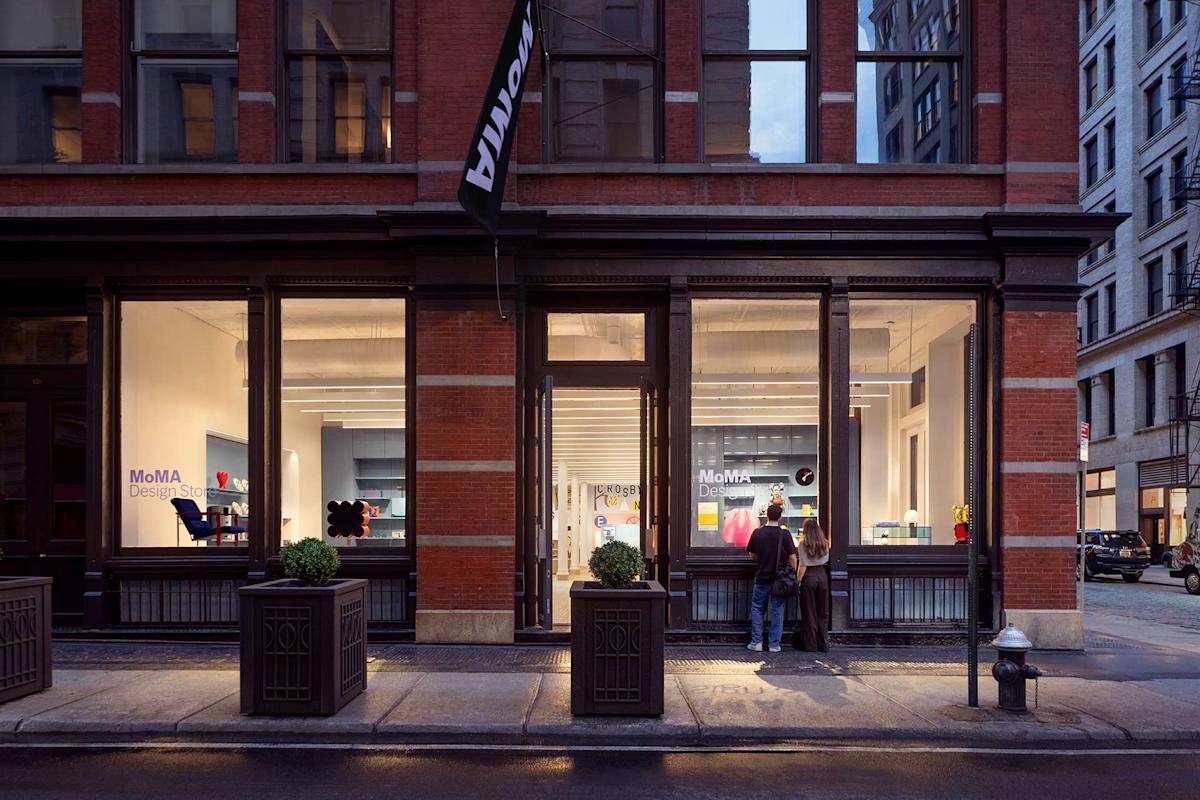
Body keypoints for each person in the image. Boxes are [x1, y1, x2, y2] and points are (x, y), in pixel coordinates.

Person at [745, 504, 797, 653]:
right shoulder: (785, 534)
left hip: (762, 577)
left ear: (766, 515)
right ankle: (774, 644)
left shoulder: (757, 533)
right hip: (780, 580)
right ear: (780, 517)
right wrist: (792, 574)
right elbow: (792, 557)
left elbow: (752, 554)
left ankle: (756, 642)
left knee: (757, 608)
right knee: (777, 610)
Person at [796, 518, 830, 652]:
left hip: (808, 577)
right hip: (822, 576)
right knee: (823, 612)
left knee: (809, 612)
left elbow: (803, 564)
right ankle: (823, 644)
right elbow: (826, 560)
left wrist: (798, 580)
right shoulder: (825, 542)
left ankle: (810, 645)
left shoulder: (803, 544)